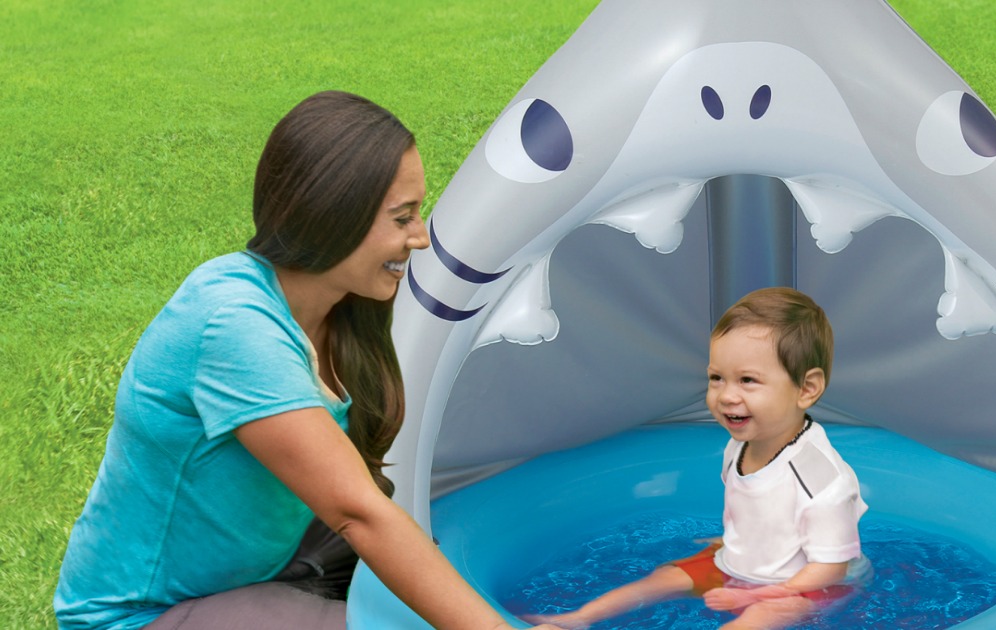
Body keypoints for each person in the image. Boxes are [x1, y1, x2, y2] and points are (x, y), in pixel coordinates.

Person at [54, 91, 560, 630]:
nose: (420, 238)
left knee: (445, 577)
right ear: (331, 213)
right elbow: (357, 513)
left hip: (265, 566)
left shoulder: (341, 311)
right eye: (402, 217)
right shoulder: (232, 323)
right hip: (139, 617)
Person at [526, 287, 871, 630]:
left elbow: (831, 569)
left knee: (763, 619)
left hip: (810, 583)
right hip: (741, 566)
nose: (726, 396)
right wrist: (731, 543)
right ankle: (576, 621)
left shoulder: (820, 480)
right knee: (662, 578)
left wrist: (752, 597)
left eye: (748, 380)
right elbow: (758, 510)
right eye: (717, 378)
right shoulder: (740, 444)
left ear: (806, 389)